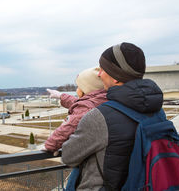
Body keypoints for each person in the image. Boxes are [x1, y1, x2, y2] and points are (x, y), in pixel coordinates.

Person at [61, 42, 164, 190]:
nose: (98, 74)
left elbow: (68, 156)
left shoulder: (99, 117)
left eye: (102, 69)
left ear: (115, 77)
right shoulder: (157, 111)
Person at [44, 67, 107, 153]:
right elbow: (78, 103)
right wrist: (61, 96)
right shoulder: (101, 99)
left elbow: (67, 128)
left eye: (78, 87)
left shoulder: (86, 107)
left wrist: (50, 145)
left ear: (85, 89)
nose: (77, 89)